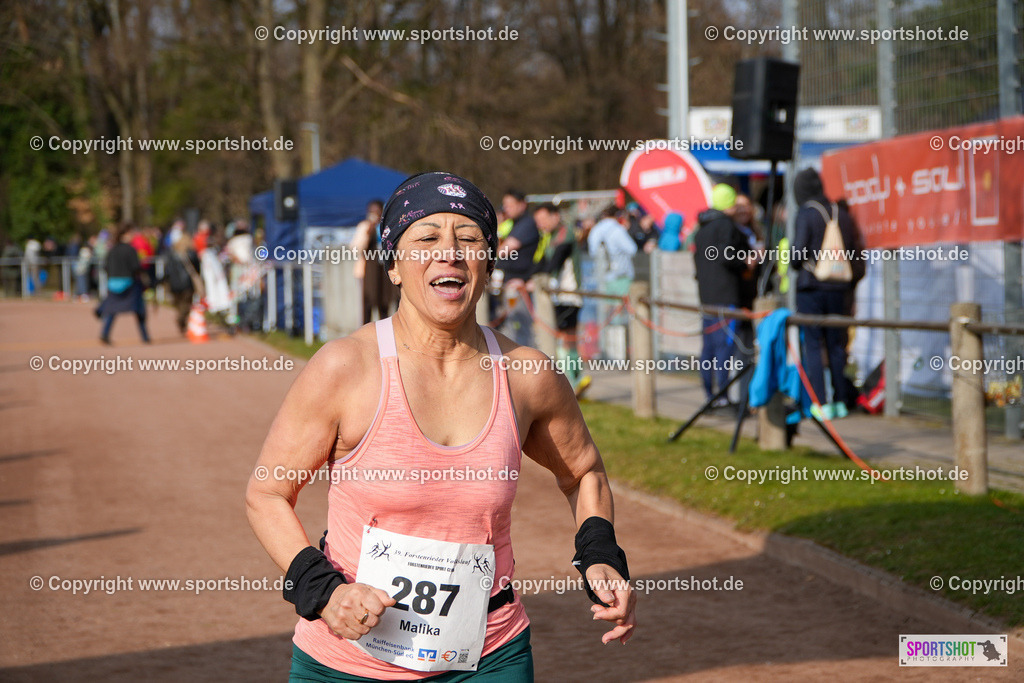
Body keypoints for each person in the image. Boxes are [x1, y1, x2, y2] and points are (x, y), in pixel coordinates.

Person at [246, 172, 636, 682]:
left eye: (469, 238)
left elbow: (584, 472)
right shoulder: (345, 368)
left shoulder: (527, 374)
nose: (449, 252)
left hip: (489, 655)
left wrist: (600, 553)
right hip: (349, 661)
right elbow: (267, 493)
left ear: (488, 264)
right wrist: (324, 593)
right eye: (426, 237)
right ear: (394, 266)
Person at [790, 168, 866, 419]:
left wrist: (794, 263)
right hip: (839, 288)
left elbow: (798, 252)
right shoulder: (842, 214)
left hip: (812, 287)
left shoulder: (807, 213)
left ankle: (819, 402)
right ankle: (841, 400)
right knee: (836, 345)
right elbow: (856, 253)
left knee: (813, 343)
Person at [692, 184, 754, 408]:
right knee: (723, 349)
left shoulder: (701, 228)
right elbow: (726, 256)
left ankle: (710, 395)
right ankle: (723, 397)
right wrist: (746, 261)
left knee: (708, 348)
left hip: (707, 297)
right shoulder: (727, 226)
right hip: (726, 296)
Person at [533, 203, 591, 397]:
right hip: (561, 294)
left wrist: (542, 278)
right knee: (569, 337)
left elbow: (556, 260)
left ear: (555, 216)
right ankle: (577, 380)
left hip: (568, 294)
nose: (541, 225)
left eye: (543, 220)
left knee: (565, 338)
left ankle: (572, 382)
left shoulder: (564, 234)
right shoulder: (549, 237)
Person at [495, 190, 540, 347]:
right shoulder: (513, 224)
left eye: (510, 205)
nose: (506, 209)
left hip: (520, 285)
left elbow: (503, 250)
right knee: (511, 326)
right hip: (510, 282)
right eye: (504, 205)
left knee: (521, 328)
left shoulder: (526, 224)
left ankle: (525, 366)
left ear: (522, 205)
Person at [97, 223, 150, 344]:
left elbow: (105, 267)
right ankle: (145, 336)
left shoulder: (112, 250)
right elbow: (135, 267)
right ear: (126, 234)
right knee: (139, 310)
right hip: (129, 284)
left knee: (112, 310)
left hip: (113, 284)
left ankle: (105, 333)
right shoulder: (130, 250)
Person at [352, 200, 399, 324]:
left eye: (377, 211)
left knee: (384, 301)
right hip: (368, 270)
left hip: (384, 269)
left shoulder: (387, 227)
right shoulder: (365, 227)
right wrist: (368, 232)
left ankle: (384, 329)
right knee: (368, 301)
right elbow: (356, 248)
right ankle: (365, 330)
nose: (374, 214)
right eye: (372, 211)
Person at [164, 234, 202, 335]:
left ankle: (181, 320)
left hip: (174, 284)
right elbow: (198, 269)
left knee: (179, 304)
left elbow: (167, 270)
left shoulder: (171, 254)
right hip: (187, 284)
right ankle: (181, 319)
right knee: (186, 304)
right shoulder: (191, 254)